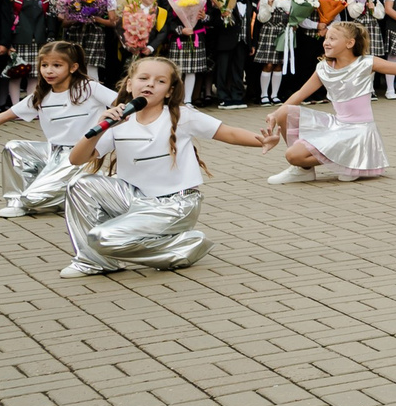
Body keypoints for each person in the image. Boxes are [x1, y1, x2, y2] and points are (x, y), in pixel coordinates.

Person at [61, 57, 276, 277]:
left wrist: (262, 140)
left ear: (169, 91)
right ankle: (95, 261)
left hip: (176, 204)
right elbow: (76, 160)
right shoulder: (119, 120)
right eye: (143, 78)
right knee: (80, 183)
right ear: (129, 84)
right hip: (135, 200)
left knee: (101, 237)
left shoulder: (181, 116)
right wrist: (102, 127)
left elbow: (227, 133)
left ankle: (186, 246)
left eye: (160, 81)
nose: (150, 84)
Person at [0, 41, 118, 218]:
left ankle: (89, 188)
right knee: (13, 147)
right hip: (53, 152)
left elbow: (122, 104)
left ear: (73, 67)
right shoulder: (41, 95)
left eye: (57, 65)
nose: (49, 71)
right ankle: (17, 201)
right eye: (44, 65)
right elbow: (6, 115)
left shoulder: (88, 87)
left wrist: (114, 115)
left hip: (81, 156)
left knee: (31, 199)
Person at [266, 18, 396, 184]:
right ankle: (303, 170)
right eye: (326, 38)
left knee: (293, 156)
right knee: (284, 112)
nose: (326, 42)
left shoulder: (366, 63)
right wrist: (275, 113)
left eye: (332, 39)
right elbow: (300, 93)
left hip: (358, 132)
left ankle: (349, 160)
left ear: (349, 43)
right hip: (337, 125)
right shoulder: (324, 68)